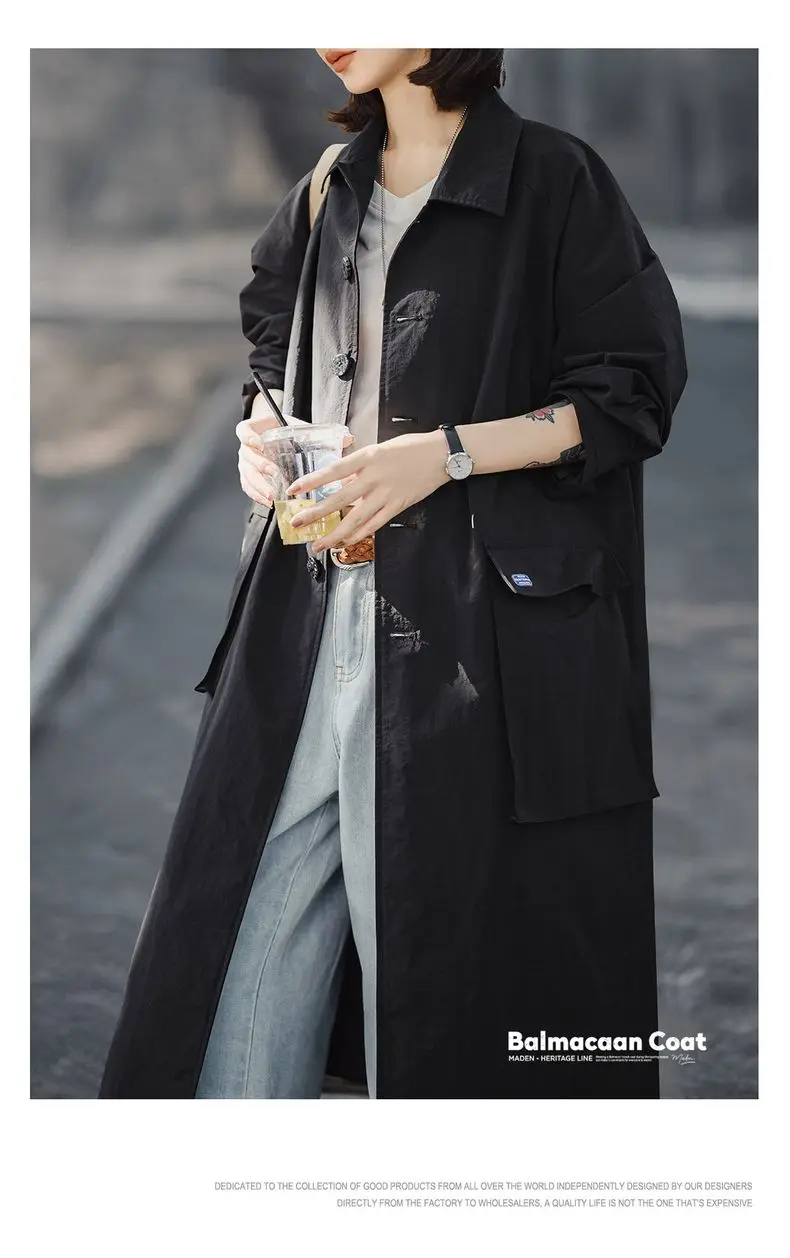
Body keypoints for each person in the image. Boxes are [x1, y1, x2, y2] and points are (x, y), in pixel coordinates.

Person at [99, 49, 688, 1101]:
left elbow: (629, 394)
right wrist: (259, 434)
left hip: (472, 637)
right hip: (305, 613)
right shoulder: (329, 188)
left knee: (435, 961)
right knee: (242, 927)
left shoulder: (555, 178)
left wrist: (444, 454)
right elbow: (271, 345)